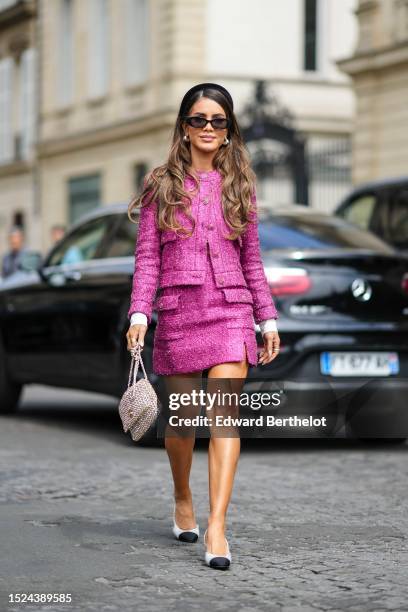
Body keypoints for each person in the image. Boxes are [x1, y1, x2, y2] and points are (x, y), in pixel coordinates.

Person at [126, 82, 280, 570]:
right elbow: (148, 257)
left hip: (232, 308)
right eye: (199, 119)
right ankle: (182, 496)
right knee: (184, 424)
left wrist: (267, 317)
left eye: (218, 120)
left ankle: (217, 526)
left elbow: (252, 260)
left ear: (229, 128)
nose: (208, 128)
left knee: (224, 419)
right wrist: (139, 313)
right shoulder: (162, 183)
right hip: (180, 308)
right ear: (185, 127)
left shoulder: (241, 186)